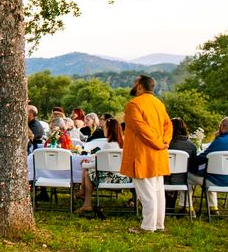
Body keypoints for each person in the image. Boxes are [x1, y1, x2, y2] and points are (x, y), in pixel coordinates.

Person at [120, 74, 172, 233]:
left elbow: (141, 129)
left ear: (140, 86)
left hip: (142, 154)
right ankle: (159, 224)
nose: (133, 85)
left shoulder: (134, 104)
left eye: (135, 83)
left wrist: (158, 143)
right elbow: (168, 125)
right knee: (157, 191)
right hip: (159, 154)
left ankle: (148, 226)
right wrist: (164, 142)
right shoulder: (159, 103)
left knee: (146, 193)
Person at [188, 116, 228, 211]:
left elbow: (200, 160)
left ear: (222, 127)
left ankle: (187, 207)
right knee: (211, 172)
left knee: (188, 175)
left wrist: (190, 161)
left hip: (215, 182)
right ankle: (213, 207)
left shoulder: (219, 141)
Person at [75, 118, 130, 214]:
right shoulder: (125, 143)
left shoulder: (108, 146)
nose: (103, 129)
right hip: (126, 178)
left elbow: (97, 165)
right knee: (88, 171)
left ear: (109, 129)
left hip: (112, 179)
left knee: (87, 173)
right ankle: (84, 197)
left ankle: (87, 203)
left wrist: (85, 164)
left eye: (104, 127)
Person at [165, 117, 198, 211]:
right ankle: (186, 206)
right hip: (182, 180)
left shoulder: (164, 144)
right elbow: (193, 166)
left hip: (162, 178)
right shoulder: (191, 146)